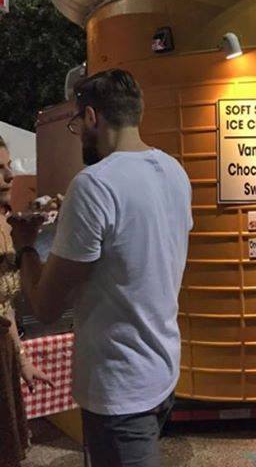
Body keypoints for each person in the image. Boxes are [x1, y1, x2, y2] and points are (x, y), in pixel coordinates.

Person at [9, 69, 193, 467]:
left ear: (92, 117)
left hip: (119, 387)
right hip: (162, 371)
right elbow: (133, 250)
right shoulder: (173, 171)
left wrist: (25, 246)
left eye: (77, 123)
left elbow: (44, 306)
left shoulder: (94, 185)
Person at [0, 136, 52, 467]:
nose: (10, 176)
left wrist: (22, 361)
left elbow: (6, 307)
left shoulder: (7, 223)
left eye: (8, 166)